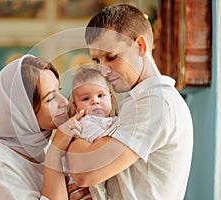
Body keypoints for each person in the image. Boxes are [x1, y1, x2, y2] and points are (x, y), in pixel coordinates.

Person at [65, 4, 193, 200]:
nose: (104, 71)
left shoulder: (156, 103)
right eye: (98, 61)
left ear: (140, 46)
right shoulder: (135, 103)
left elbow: (85, 172)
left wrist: (68, 138)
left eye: (111, 57)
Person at [0, 54, 86, 199]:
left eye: (59, 90)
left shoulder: (41, 147)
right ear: (22, 110)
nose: (64, 102)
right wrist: (55, 152)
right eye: (51, 98)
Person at [64, 65, 118, 199]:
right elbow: (105, 142)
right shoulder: (85, 123)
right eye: (86, 99)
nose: (95, 101)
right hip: (85, 188)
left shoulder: (113, 120)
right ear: (76, 106)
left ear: (110, 98)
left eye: (101, 95)